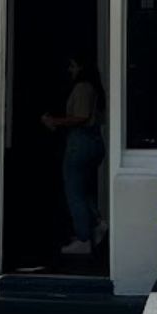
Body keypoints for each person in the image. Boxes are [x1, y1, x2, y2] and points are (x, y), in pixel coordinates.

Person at [41, 55, 107, 257]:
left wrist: (54, 121)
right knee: (85, 189)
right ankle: (96, 223)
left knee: (74, 190)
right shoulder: (95, 88)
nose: (70, 70)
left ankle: (83, 238)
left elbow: (81, 116)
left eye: (72, 65)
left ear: (81, 67)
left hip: (80, 143)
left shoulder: (82, 88)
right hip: (95, 142)